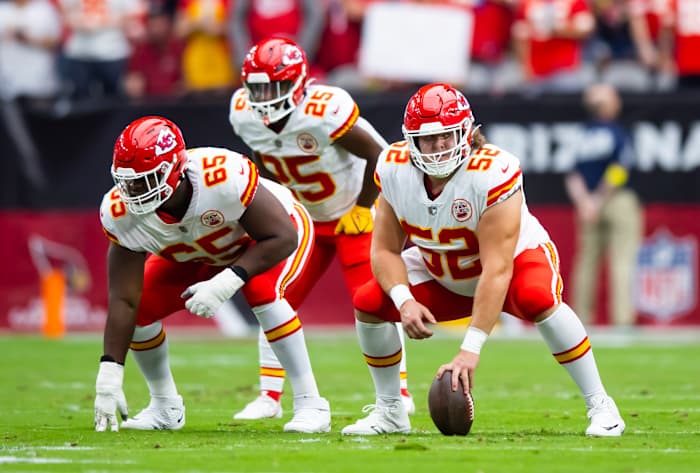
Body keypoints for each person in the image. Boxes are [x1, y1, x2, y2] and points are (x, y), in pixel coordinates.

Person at [341, 83, 626, 437]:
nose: (439, 147)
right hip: (443, 268)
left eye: (447, 136)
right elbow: (384, 249)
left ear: (467, 132)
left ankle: (601, 404)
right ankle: (390, 411)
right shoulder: (395, 167)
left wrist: (470, 349)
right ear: (411, 140)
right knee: (368, 301)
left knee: (538, 297)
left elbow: (498, 268)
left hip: (514, 261)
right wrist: (405, 300)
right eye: (428, 140)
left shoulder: (492, 171)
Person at [94, 116, 331, 434]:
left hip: (266, 237)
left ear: (174, 170)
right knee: (141, 306)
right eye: (127, 181)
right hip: (199, 252)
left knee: (263, 293)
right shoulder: (120, 213)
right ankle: (164, 406)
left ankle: (310, 403)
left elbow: (282, 237)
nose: (134, 190)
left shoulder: (221, 176)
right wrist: (109, 374)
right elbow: (124, 299)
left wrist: (227, 281)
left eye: (145, 179)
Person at [228, 36, 415, 420]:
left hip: (353, 215)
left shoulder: (323, 110)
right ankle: (270, 394)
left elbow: (379, 155)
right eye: (257, 87)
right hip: (306, 219)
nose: (264, 96)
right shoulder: (245, 114)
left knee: (374, 303)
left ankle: (401, 392)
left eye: (274, 86)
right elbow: (262, 156)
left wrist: (365, 207)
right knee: (271, 297)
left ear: (298, 82)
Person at [565, 83, 643, 328]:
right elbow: (619, 170)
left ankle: (580, 321)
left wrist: (585, 203)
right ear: (606, 105)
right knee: (623, 260)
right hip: (617, 200)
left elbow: (572, 175)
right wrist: (599, 199)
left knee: (586, 262)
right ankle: (622, 320)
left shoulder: (580, 135)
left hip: (588, 205)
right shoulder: (616, 132)